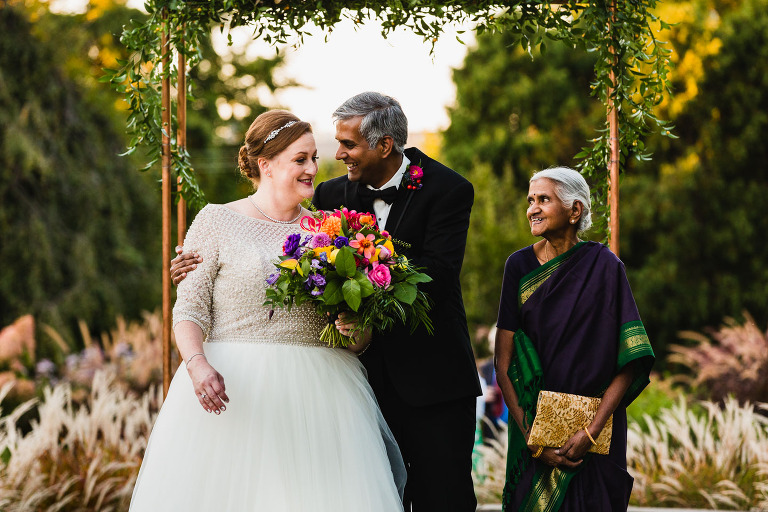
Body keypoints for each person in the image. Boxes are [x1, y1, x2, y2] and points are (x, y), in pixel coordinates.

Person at [172, 92, 481, 512]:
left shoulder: (448, 190)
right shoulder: (329, 202)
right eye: (307, 157)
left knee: (439, 499)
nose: (329, 161)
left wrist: (363, 327)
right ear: (265, 163)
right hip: (348, 382)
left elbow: (437, 280)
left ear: (385, 145)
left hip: (425, 379)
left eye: (343, 147)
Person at [130, 110, 405, 512]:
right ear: (266, 165)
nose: (313, 167)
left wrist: (355, 329)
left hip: (325, 399)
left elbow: (359, 337)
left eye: (314, 157)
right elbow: (188, 308)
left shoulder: (331, 231)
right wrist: (196, 363)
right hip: (237, 394)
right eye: (300, 159)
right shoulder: (216, 220)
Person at [494, 167, 655, 512]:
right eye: (530, 200)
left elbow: (631, 360)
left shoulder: (606, 267)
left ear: (575, 210)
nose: (532, 208)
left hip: (595, 441)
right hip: (535, 435)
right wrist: (534, 442)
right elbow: (503, 364)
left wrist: (591, 432)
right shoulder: (518, 267)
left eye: (544, 199)